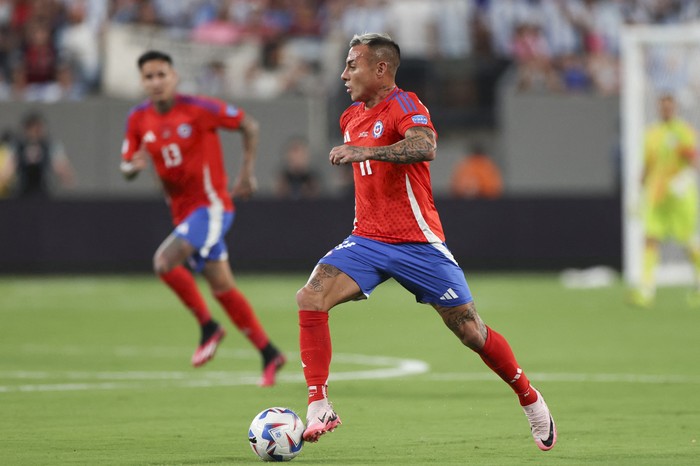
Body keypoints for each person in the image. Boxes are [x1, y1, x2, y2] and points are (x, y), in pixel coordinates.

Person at [295, 33, 557, 451]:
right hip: (367, 240)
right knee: (311, 297)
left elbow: (425, 145)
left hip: (418, 244)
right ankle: (319, 404)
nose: (344, 74)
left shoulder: (405, 104)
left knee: (471, 332)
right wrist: (361, 149)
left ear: (380, 69)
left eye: (352, 65)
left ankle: (529, 397)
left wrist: (367, 152)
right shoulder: (350, 118)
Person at [119, 50, 286, 386]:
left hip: (211, 207)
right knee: (222, 286)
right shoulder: (138, 118)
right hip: (183, 213)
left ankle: (209, 327)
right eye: (149, 76)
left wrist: (246, 174)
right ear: (142, 81)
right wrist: (131, 168)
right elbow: (126, 164)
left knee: (164, 262)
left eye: (161, 74)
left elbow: (248, 124)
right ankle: (270, 353)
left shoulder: (199, 108)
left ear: (174, 76)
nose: (156, 82)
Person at [629, 93, 700, 308]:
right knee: (650, 238)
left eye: (669, 106)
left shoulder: (684, 131)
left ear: (675, 108)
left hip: (679, 196)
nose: (666, 110)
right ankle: (646, 291)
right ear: (658, 108)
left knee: (688, 241)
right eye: (662, 106)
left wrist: (682, 154)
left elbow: (693, 159)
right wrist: (638, 193)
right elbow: (647, 165)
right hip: (656, 194)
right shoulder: (651, 134)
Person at [0, 112, 75, 199]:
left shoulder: (50, 147)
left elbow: (63, 170)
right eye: (34, 129)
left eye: (39, 129)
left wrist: (66, 179)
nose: (36, 132)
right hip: (22, 194)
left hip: (44, 193)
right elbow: (7, 172)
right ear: (26, 129)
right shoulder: (17, 147)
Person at [275, 135, 321, 199]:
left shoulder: (313, 180)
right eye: (294, 152)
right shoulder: (282, 180)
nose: (297, 157)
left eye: (300, 154)